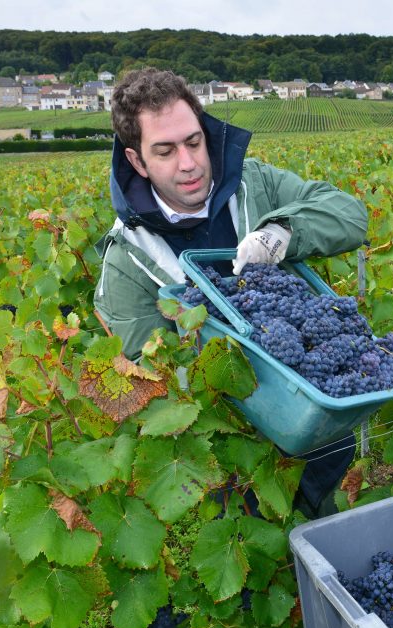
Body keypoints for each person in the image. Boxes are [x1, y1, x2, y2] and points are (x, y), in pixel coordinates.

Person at [93, 68, 367, 518]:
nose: (188, 163)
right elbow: (150, 381)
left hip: (318, 419)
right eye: (165, 151)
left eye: (193, 142)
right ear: (137, 161)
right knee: (257, 544)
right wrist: (231, 370)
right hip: (234, 460)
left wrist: (283, 231)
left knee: (322, 522)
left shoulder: (254, 185)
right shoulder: (127, 261)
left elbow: (349, 215)